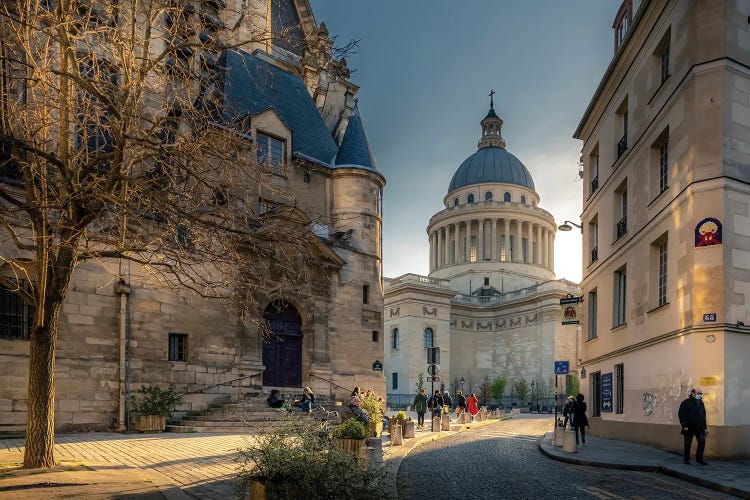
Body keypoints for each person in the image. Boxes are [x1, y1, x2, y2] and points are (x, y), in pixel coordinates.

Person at [678, 388, 708, 465]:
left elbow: (703, 416)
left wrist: (705, 428)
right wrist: (684, 425)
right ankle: (686, 460)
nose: (700, 395)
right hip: (689, 427)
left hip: (699, 427)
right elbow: (681, 415)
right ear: (693, 393)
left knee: (702, 442)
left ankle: (699, 459)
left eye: (701, 393)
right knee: (688, 444)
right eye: (698, 393)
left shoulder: (701, 403)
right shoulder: (686, 402)